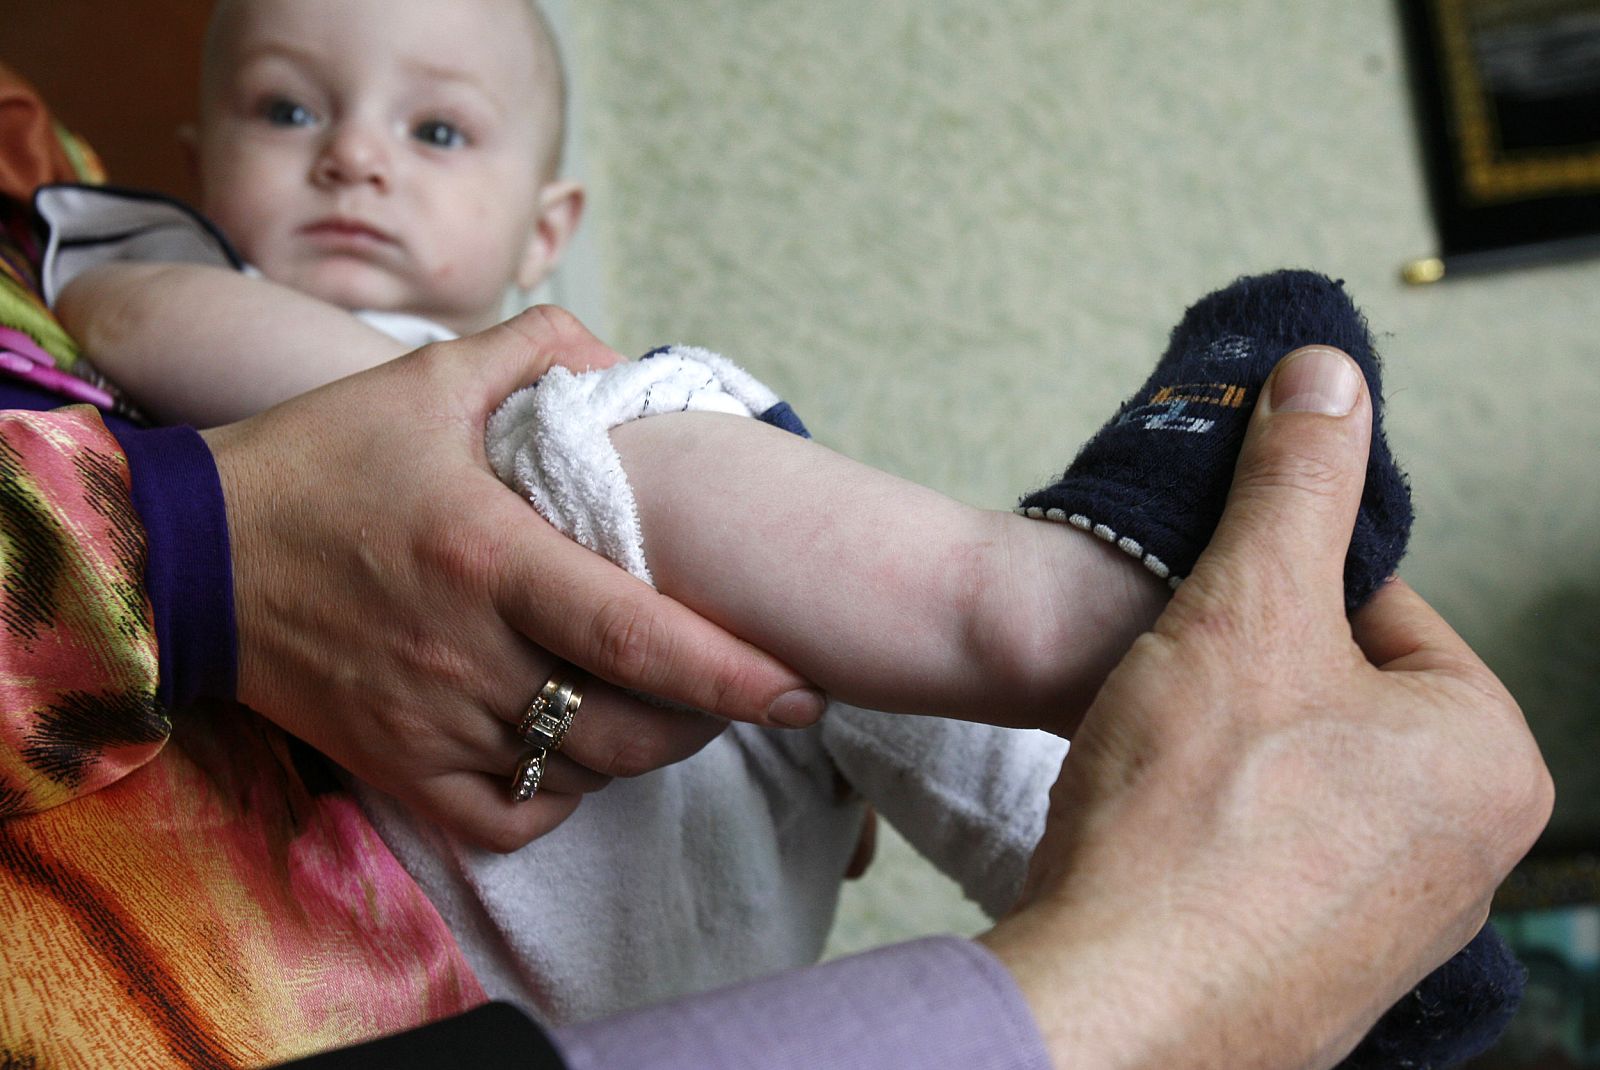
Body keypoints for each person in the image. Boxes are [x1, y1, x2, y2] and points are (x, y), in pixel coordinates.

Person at [0, 296, 1556, 1067]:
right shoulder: (199, 277)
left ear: (548, 208)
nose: (353, 159)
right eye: (284, 110)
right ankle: (1066, 621)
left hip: (682, 905)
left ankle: (1142, 772)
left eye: (439, 128)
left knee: (674, 443)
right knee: (612, 427)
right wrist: (234, 500)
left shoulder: (498, 317)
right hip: (506, 946)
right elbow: (129, 309)